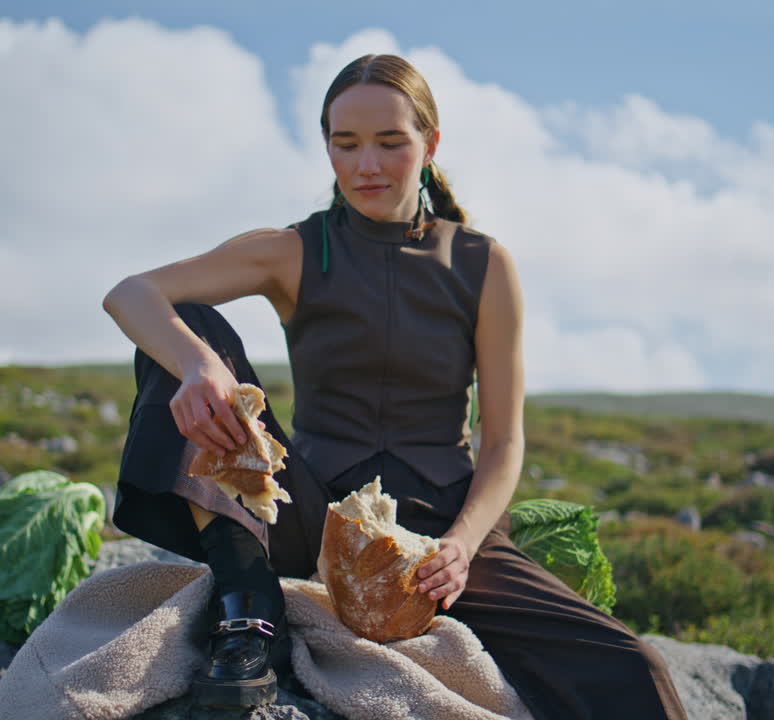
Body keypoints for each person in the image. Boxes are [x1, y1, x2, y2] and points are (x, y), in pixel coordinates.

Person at [102, 53, 687, 719]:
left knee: (628, 666)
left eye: (390, 142)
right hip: (313, 520)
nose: (366, 166)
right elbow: (133, 294)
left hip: (444, 533)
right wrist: (198, 364)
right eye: (344, 144)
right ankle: (250, 610)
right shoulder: (296, 250)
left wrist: (462, 547)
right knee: (193, 329)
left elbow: (503, 443)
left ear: (430, 143)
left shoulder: (482, 263)